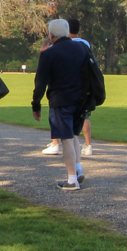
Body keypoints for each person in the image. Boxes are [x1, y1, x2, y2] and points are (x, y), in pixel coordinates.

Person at [32, 18, 95, 192]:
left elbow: (40, 82)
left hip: (61, 100)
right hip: (81, 100)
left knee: (66, 138)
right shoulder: (81, 49)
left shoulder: (49, 54)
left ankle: (72, 180)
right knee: (73, 135)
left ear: (51, 35)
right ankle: (78, 168)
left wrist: (35, 104)